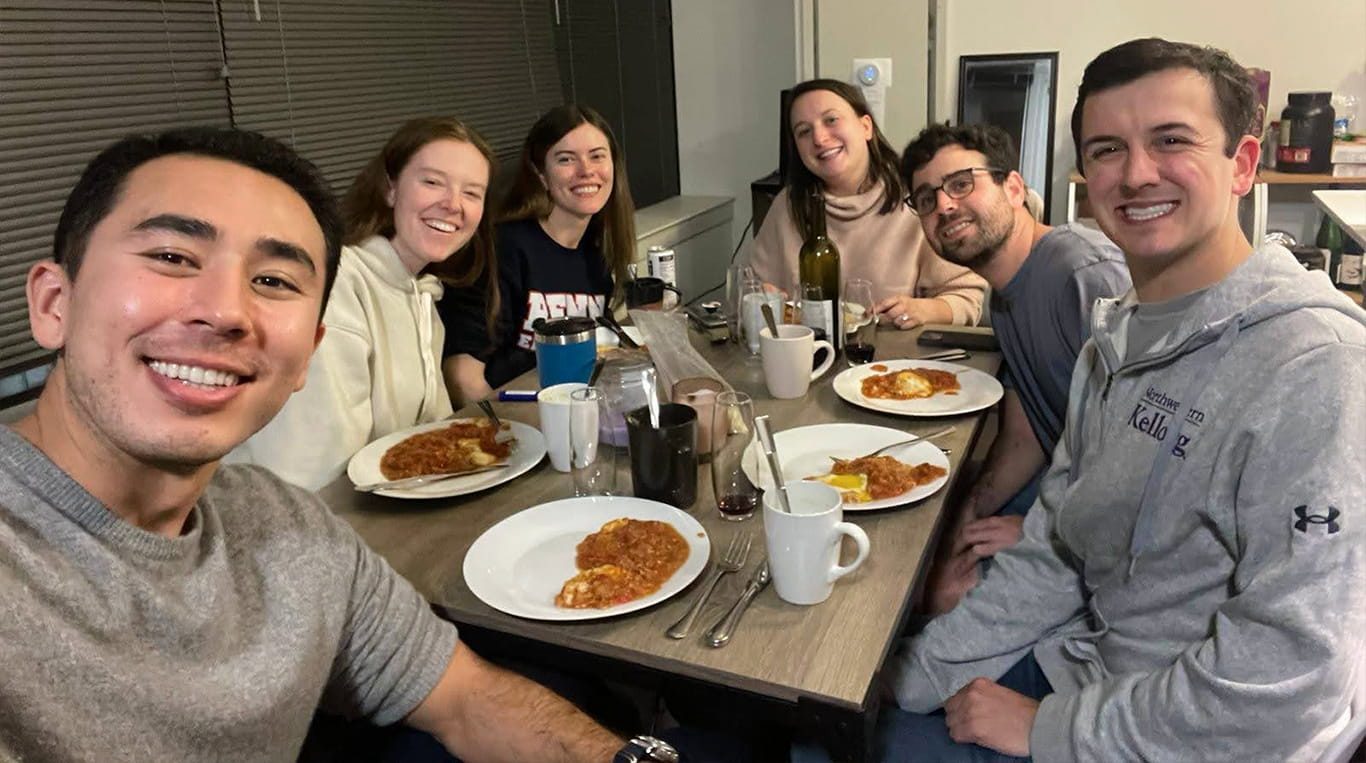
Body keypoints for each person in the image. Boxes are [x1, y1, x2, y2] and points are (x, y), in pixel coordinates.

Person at [0, 126, 638, 762]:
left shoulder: (285, 528)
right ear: (53, 301)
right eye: (172, 257)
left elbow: (470, 699)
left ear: (307, 350)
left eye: (273, 281)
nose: (225, 311)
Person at [875, 38, 1366, 762]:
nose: (1136, 174)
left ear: (1243, 163)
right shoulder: (1118, 332)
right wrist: (913, 672)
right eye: (1107, 150)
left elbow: (1290, 685)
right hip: (1091, 662)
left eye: (1171, 140)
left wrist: (1050, 727)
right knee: (855, 707)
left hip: (1191, 732)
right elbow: (1060, 547)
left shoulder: (1316, 368)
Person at [899, 123, 1130, 615]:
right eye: (925, 198)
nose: (943, 205)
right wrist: (972, 508)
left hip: (1110, 527)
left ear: (1013, 187)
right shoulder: (1002, 297)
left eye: (961, 183)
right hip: (1060, 487)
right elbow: (1024, 434)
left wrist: (1042, 530)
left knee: (935, 595)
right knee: (920, 551)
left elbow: (1138, 455)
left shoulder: (1082, 275)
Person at [228, 117, 498, 490]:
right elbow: (315, 474)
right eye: (432, 182)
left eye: (472, 193)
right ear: (390, 189)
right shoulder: (337, 285)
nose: (453, 204)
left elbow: (434, 434)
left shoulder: (422, 296)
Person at [751, 79, 985, 329]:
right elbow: (752, 287)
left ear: (866, 127)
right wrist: (760, 298)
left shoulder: (920, 200)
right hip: (808, 362)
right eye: (804, 131)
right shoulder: (787, 207)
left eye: (831, 120)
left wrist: (924, 310)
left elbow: (966, 299)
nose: (819, 138)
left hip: (896, 363)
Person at [441, 104, 635, 395]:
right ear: (541, 174)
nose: (586, 171)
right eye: (566, 159)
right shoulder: (501, 247)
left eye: (597, 156)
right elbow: (461, 375)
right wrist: (505, 434)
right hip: (509, 421)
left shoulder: (596, 253)